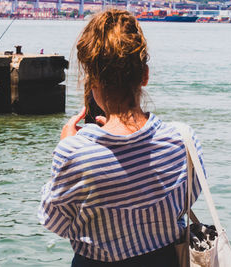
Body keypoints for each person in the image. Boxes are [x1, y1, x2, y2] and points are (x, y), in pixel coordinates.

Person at [38, 9, 206, 267]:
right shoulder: (183, 139)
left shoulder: (75, 151)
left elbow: (54, 221)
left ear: (91, 81)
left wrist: (66, 147)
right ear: (144, 75)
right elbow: (186, 200)